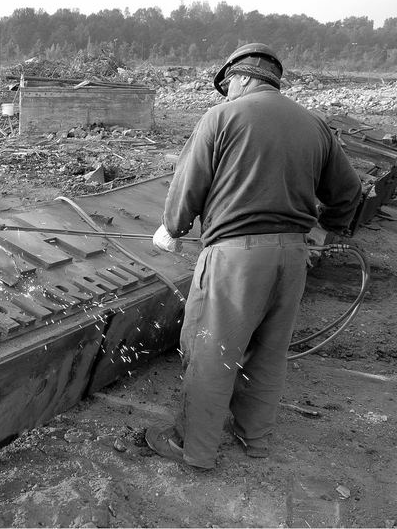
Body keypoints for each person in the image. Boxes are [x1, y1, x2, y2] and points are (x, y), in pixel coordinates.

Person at [146, 43, 362, 470]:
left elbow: (189, 182)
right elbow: (349, 191)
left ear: (243, 77)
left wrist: (172, 228)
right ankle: (254, 437)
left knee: (210, 351)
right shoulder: (314, 125)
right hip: (293, 257)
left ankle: (194, 447)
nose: (226, 93)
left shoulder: (221, 118)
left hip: (235, 259)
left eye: (228, 85)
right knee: (267, 350)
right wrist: (332, 231)